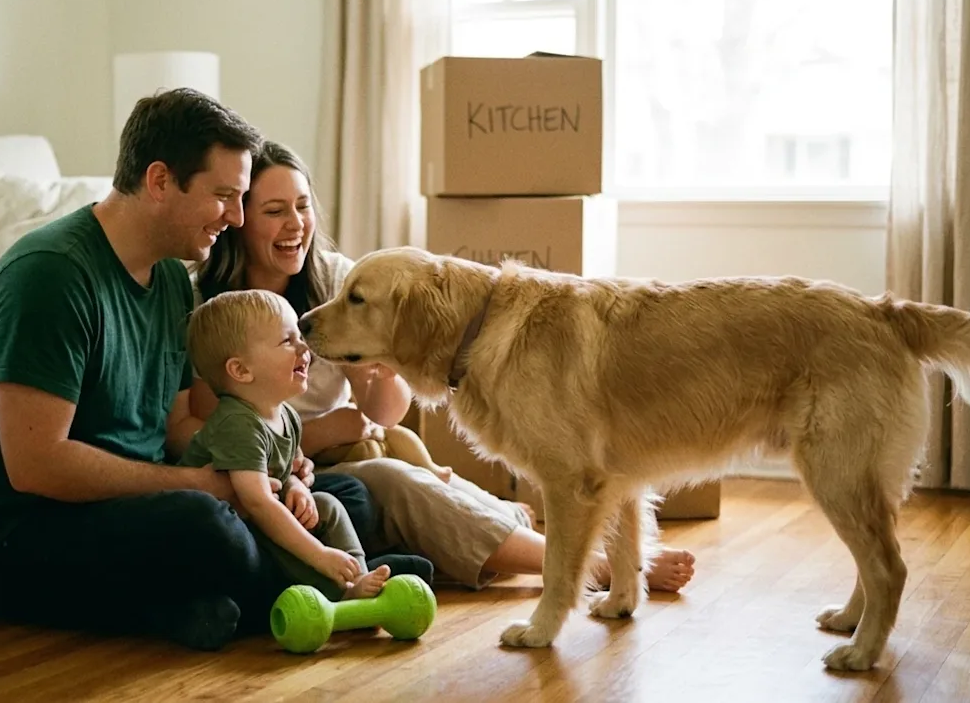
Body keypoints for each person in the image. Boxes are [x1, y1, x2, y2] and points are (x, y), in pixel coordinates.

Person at [0, 88, 384, 652]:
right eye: (223, 195)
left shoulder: (173, 282)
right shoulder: (51, 276)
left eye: (242, 198)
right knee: (203, 524)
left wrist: (272, 477)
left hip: (135, 510)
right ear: (158, 181)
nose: (238, 217)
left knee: (348, 497)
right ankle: (307, 589)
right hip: (25, 537)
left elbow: (178, 427)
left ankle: (214, 605)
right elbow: (37, 467)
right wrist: (201, 485)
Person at [190, 139, 697, 593]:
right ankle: (596, 568)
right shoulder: (216, 312)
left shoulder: (338, 281)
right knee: (395, 478)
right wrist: (314, 435)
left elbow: (387, 414)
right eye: (275, 211)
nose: (295, 225)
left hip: (354, 445)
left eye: (302, 206)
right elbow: (216, 426)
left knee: (426, 469)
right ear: (240, 220)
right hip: (282, 467)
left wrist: (378, 372)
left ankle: (524, 534)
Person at [180, 289, 433, 602]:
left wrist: (297, 485)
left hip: (261, 512)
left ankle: (359, 573)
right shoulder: (238, 425)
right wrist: (321, 554)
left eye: (300, 336)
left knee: (327, 503)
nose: (304, 346)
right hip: (230, 530)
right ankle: (334, 590)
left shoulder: (284, 413)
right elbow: (258, 504)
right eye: (288, 341)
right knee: (273, 537)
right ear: (241, 371)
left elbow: (283, 469)